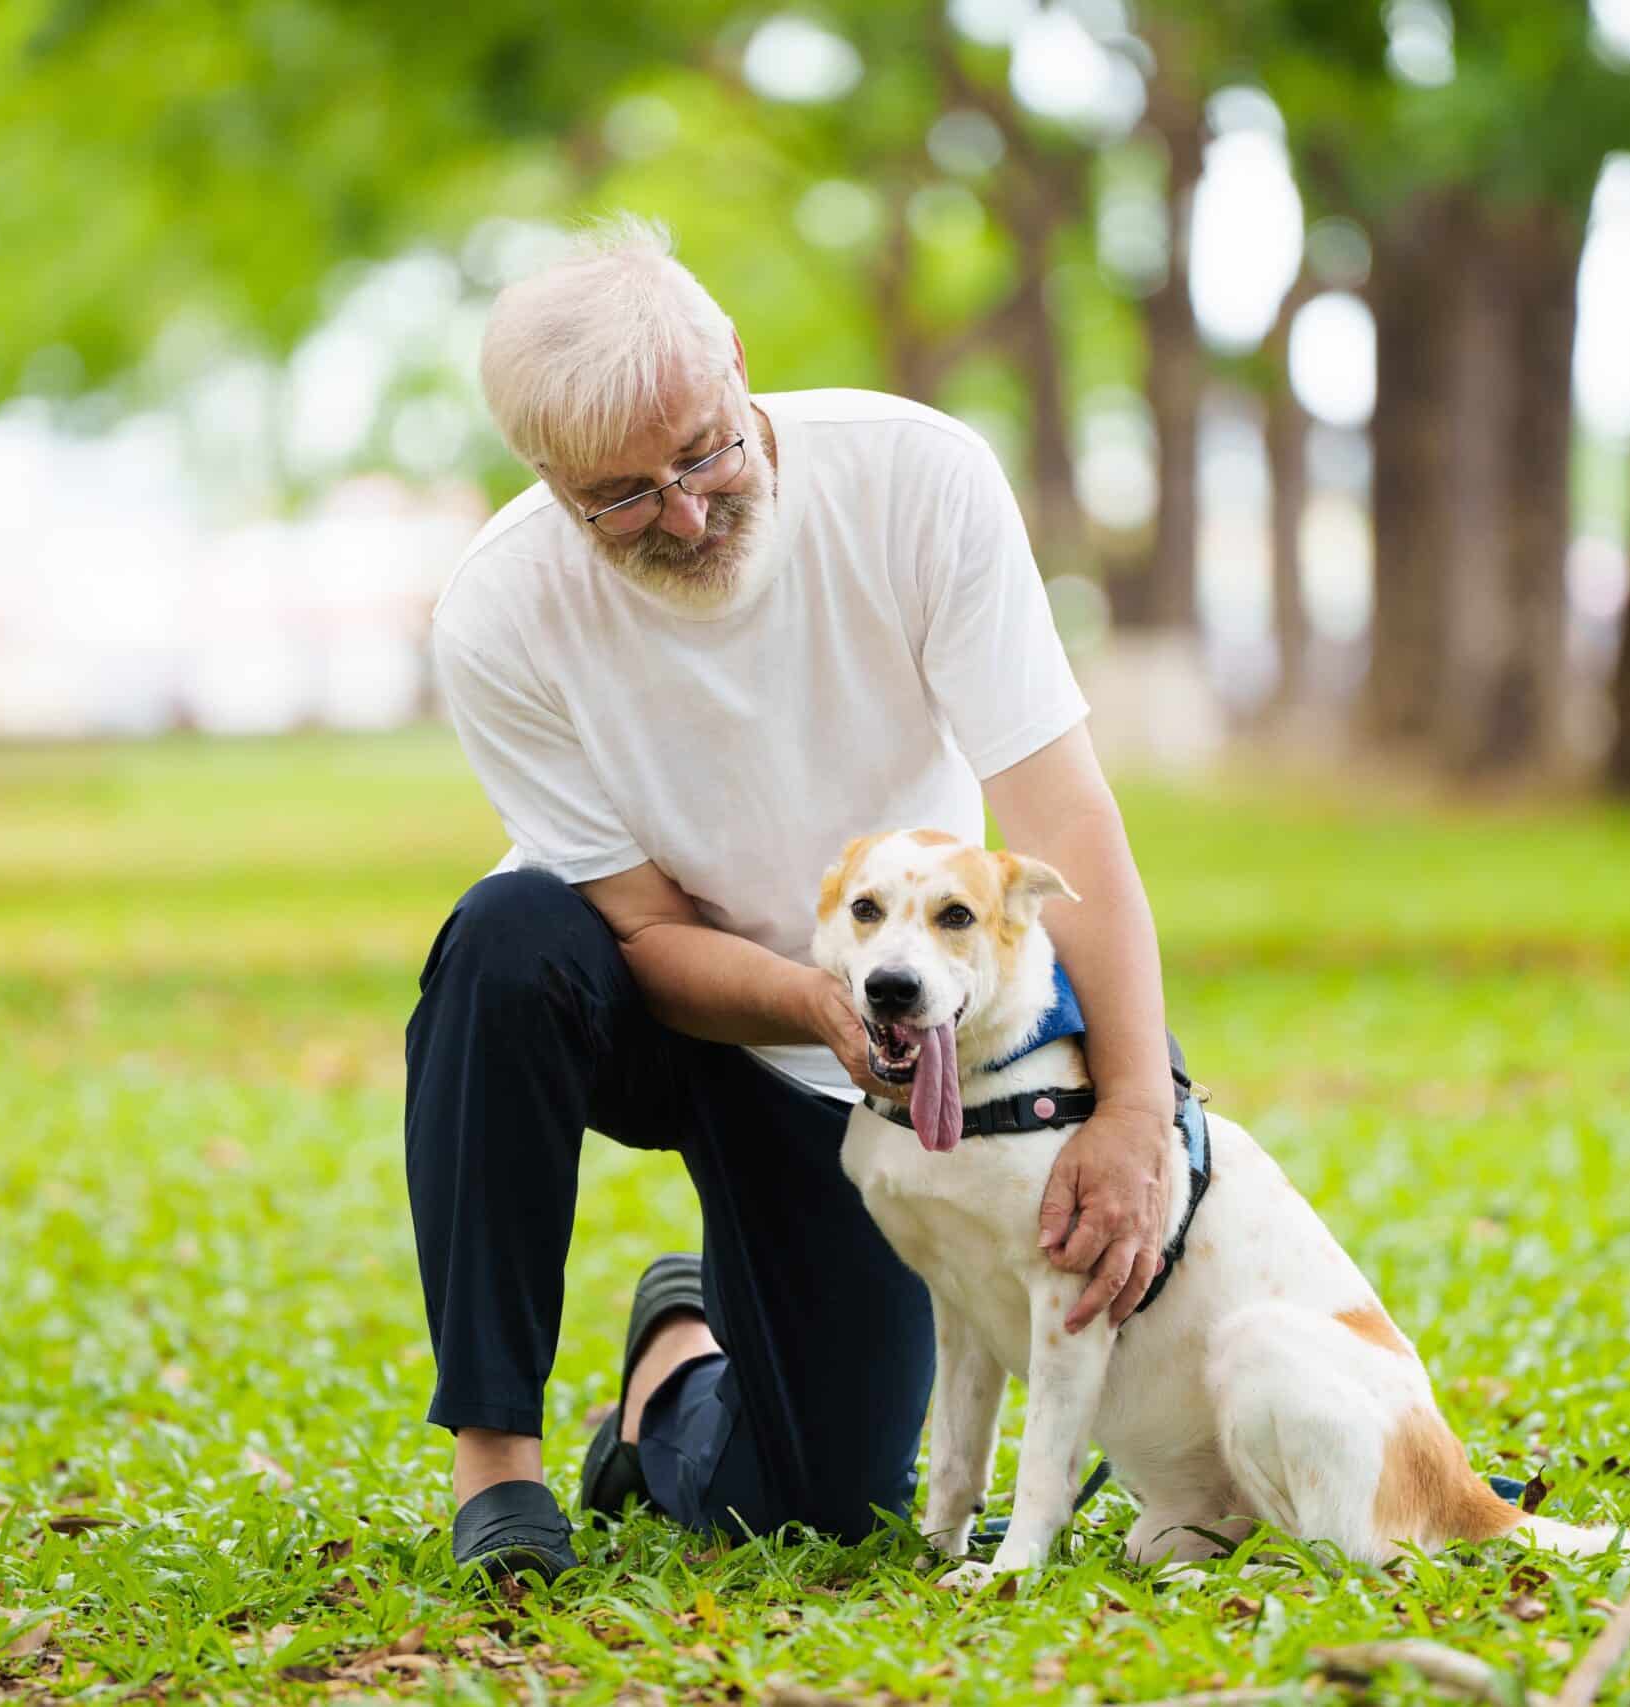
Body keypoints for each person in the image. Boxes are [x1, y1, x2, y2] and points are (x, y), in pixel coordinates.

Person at [408, 215, 1178, 1583]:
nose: (688, 511)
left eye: (705, 450)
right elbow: (638, 928)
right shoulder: (499, 612)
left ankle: (669, 1365)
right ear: (549, 481)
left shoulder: (918, 479)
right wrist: (809, 998)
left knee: (821, 1505)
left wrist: (1132, 1109)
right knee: (504, 943)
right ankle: (498, 1463)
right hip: (649, 1003)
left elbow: (1066, 825)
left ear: (740, 372)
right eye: (625, 496)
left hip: (878, 1042)